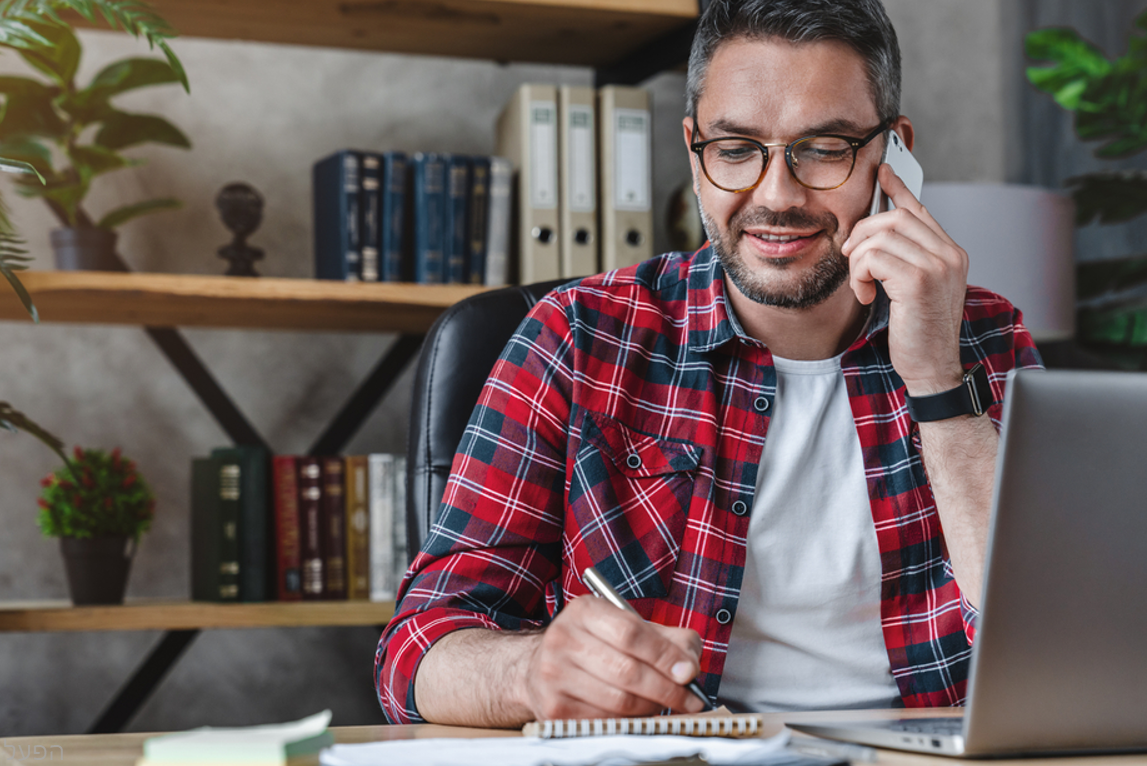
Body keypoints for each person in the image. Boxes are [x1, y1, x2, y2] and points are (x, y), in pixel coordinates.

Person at [375, 0, 1041, 727]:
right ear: (694, 151)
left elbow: (1054, 642)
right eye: (735, 150)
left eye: (823, 147)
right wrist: (531, 672)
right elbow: (417, 649)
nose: (776, 196)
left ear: (893, 155)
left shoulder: (984, 335)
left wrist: (938, 381)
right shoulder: (578, 336)